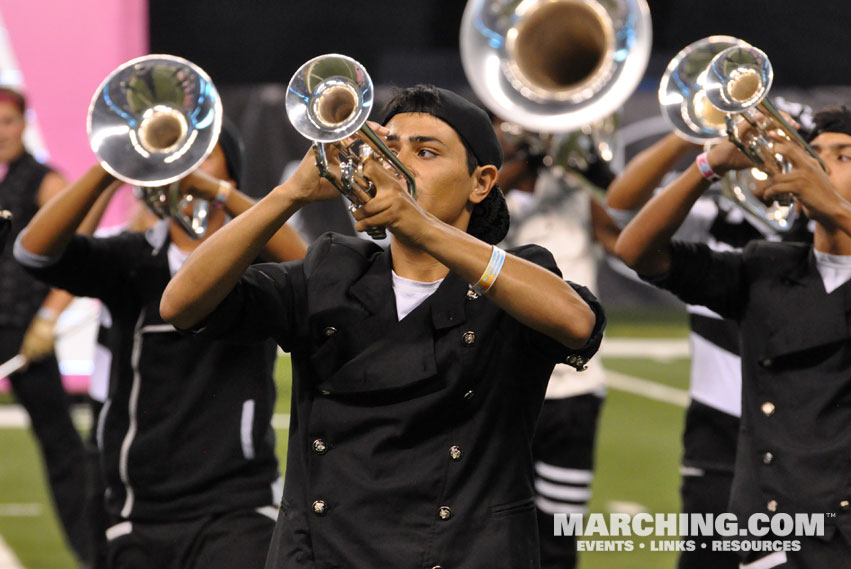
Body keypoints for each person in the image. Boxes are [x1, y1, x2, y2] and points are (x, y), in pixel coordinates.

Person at [160, 84, 605, 569]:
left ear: (481, 182)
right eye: (390, 148)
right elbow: (181, 304)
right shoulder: (330, 267)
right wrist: (291, 194)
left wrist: (424, 227)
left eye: (426, 151)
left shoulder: (515, 274)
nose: (400, 163)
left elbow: (578, 323)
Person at [15, 119, 307, 569]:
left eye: (203, 153)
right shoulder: (132, 259)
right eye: (176, 153)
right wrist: (111, 167)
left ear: (232, 173)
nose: (186, 163)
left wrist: (221, 194)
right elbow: (34, 251)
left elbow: (308, 265)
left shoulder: (256, 262)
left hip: (239, 505)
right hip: (141, 511)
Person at [614, 106, 851, 568]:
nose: (819, 166)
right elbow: (635, 249)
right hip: (769, 530)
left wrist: (838, 209)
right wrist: (710, 164)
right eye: (814, 155)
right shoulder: (764, 265)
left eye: (843, 156)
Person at [496, 117, 618, 569]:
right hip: (503, 391)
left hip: (574, 395)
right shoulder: (479, 196)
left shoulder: (576, 194)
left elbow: (636, 245)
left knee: (559, 537)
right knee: (495, 530)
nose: (512, 133)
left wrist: (600, 176)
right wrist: (518, 162)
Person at [0, 86, 94, 567]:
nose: (1, 132)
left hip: (24, 334)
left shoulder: (44, 181)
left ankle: (93, 553)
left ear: (24, 124)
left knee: (62, 449)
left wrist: (46, 320)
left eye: (9, 122)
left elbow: (72, 255)